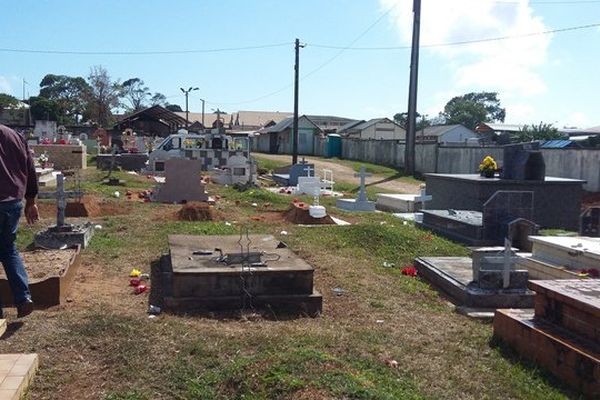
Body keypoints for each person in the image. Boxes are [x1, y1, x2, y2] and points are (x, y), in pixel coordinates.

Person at [0, 124, 39, 318]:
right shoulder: (14, 135)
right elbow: (29, 166)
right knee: (8, 250)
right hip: (13, 202)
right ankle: (23, 298)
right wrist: (31, 200)